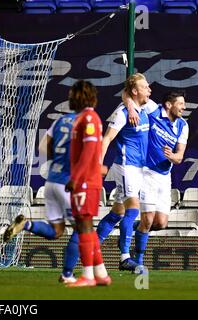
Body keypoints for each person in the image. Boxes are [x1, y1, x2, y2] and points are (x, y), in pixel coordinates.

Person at [2, 110, 79, 284]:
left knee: (56, 231)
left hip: (51, 182)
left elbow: (43, 146)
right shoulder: (87, 124)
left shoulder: (60, 121)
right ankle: (67, 274)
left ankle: (26, 224)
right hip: (68, 183)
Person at [123, 91, 189, 272]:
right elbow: (128, 94)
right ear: (169, 105)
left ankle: (131, 228)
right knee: (149, 219)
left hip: (164, 177)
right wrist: (130, 109)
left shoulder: (183, 126)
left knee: (160, 223)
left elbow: (179, 157)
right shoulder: (153, 110)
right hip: (147, 173)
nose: (184, 107)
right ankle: (139, 262)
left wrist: (172, 156)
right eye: (181, 104)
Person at [95, 73, 151, 272]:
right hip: (126, 167)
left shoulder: (144, 107)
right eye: (145, 87)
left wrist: (130, 102)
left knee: (117, 213)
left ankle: (90, 249)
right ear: (135, 91)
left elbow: (125, 93)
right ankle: (125, 258)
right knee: (133, 210)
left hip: (137, 169)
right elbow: (106, 139)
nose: (149, 90)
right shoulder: (121, 113)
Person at [65, 80, 111, 287]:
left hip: (86, 181)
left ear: (80, 96)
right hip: (86, 179)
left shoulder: (90, 118)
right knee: (87, 227)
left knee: (83, 226)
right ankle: (100, 274)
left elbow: (90, 151)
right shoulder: (82, 118)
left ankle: (88, 276)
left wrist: (77, 178)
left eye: (72, 94)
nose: (69, 98)